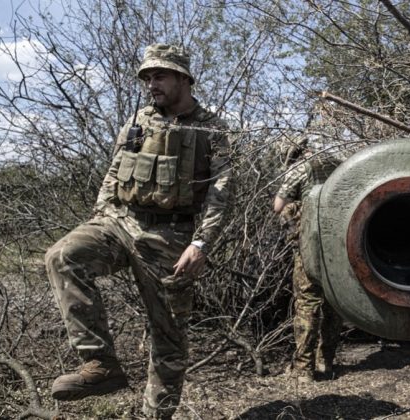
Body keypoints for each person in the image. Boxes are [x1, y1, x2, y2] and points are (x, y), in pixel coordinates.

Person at [44, 43, 231, 418]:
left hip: (170, 239)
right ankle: (100, 364)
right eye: (146, 77)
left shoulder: (212, 129)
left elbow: (221, 192)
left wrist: (200, 243)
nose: (151, 84)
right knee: (63, 256)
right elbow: (114, 173)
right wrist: (100, 218)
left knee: (169, 340)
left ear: (183, 78)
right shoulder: (138, 121)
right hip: (119, 222)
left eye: (159, 75)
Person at [273, 134, 342, 383]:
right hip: (340, 247)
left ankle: (304, 370)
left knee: (307, 304)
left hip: (310, 247)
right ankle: (327, 362)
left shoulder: (299, 168)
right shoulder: (339, 162)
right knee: (335, 303)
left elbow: (278, 206)